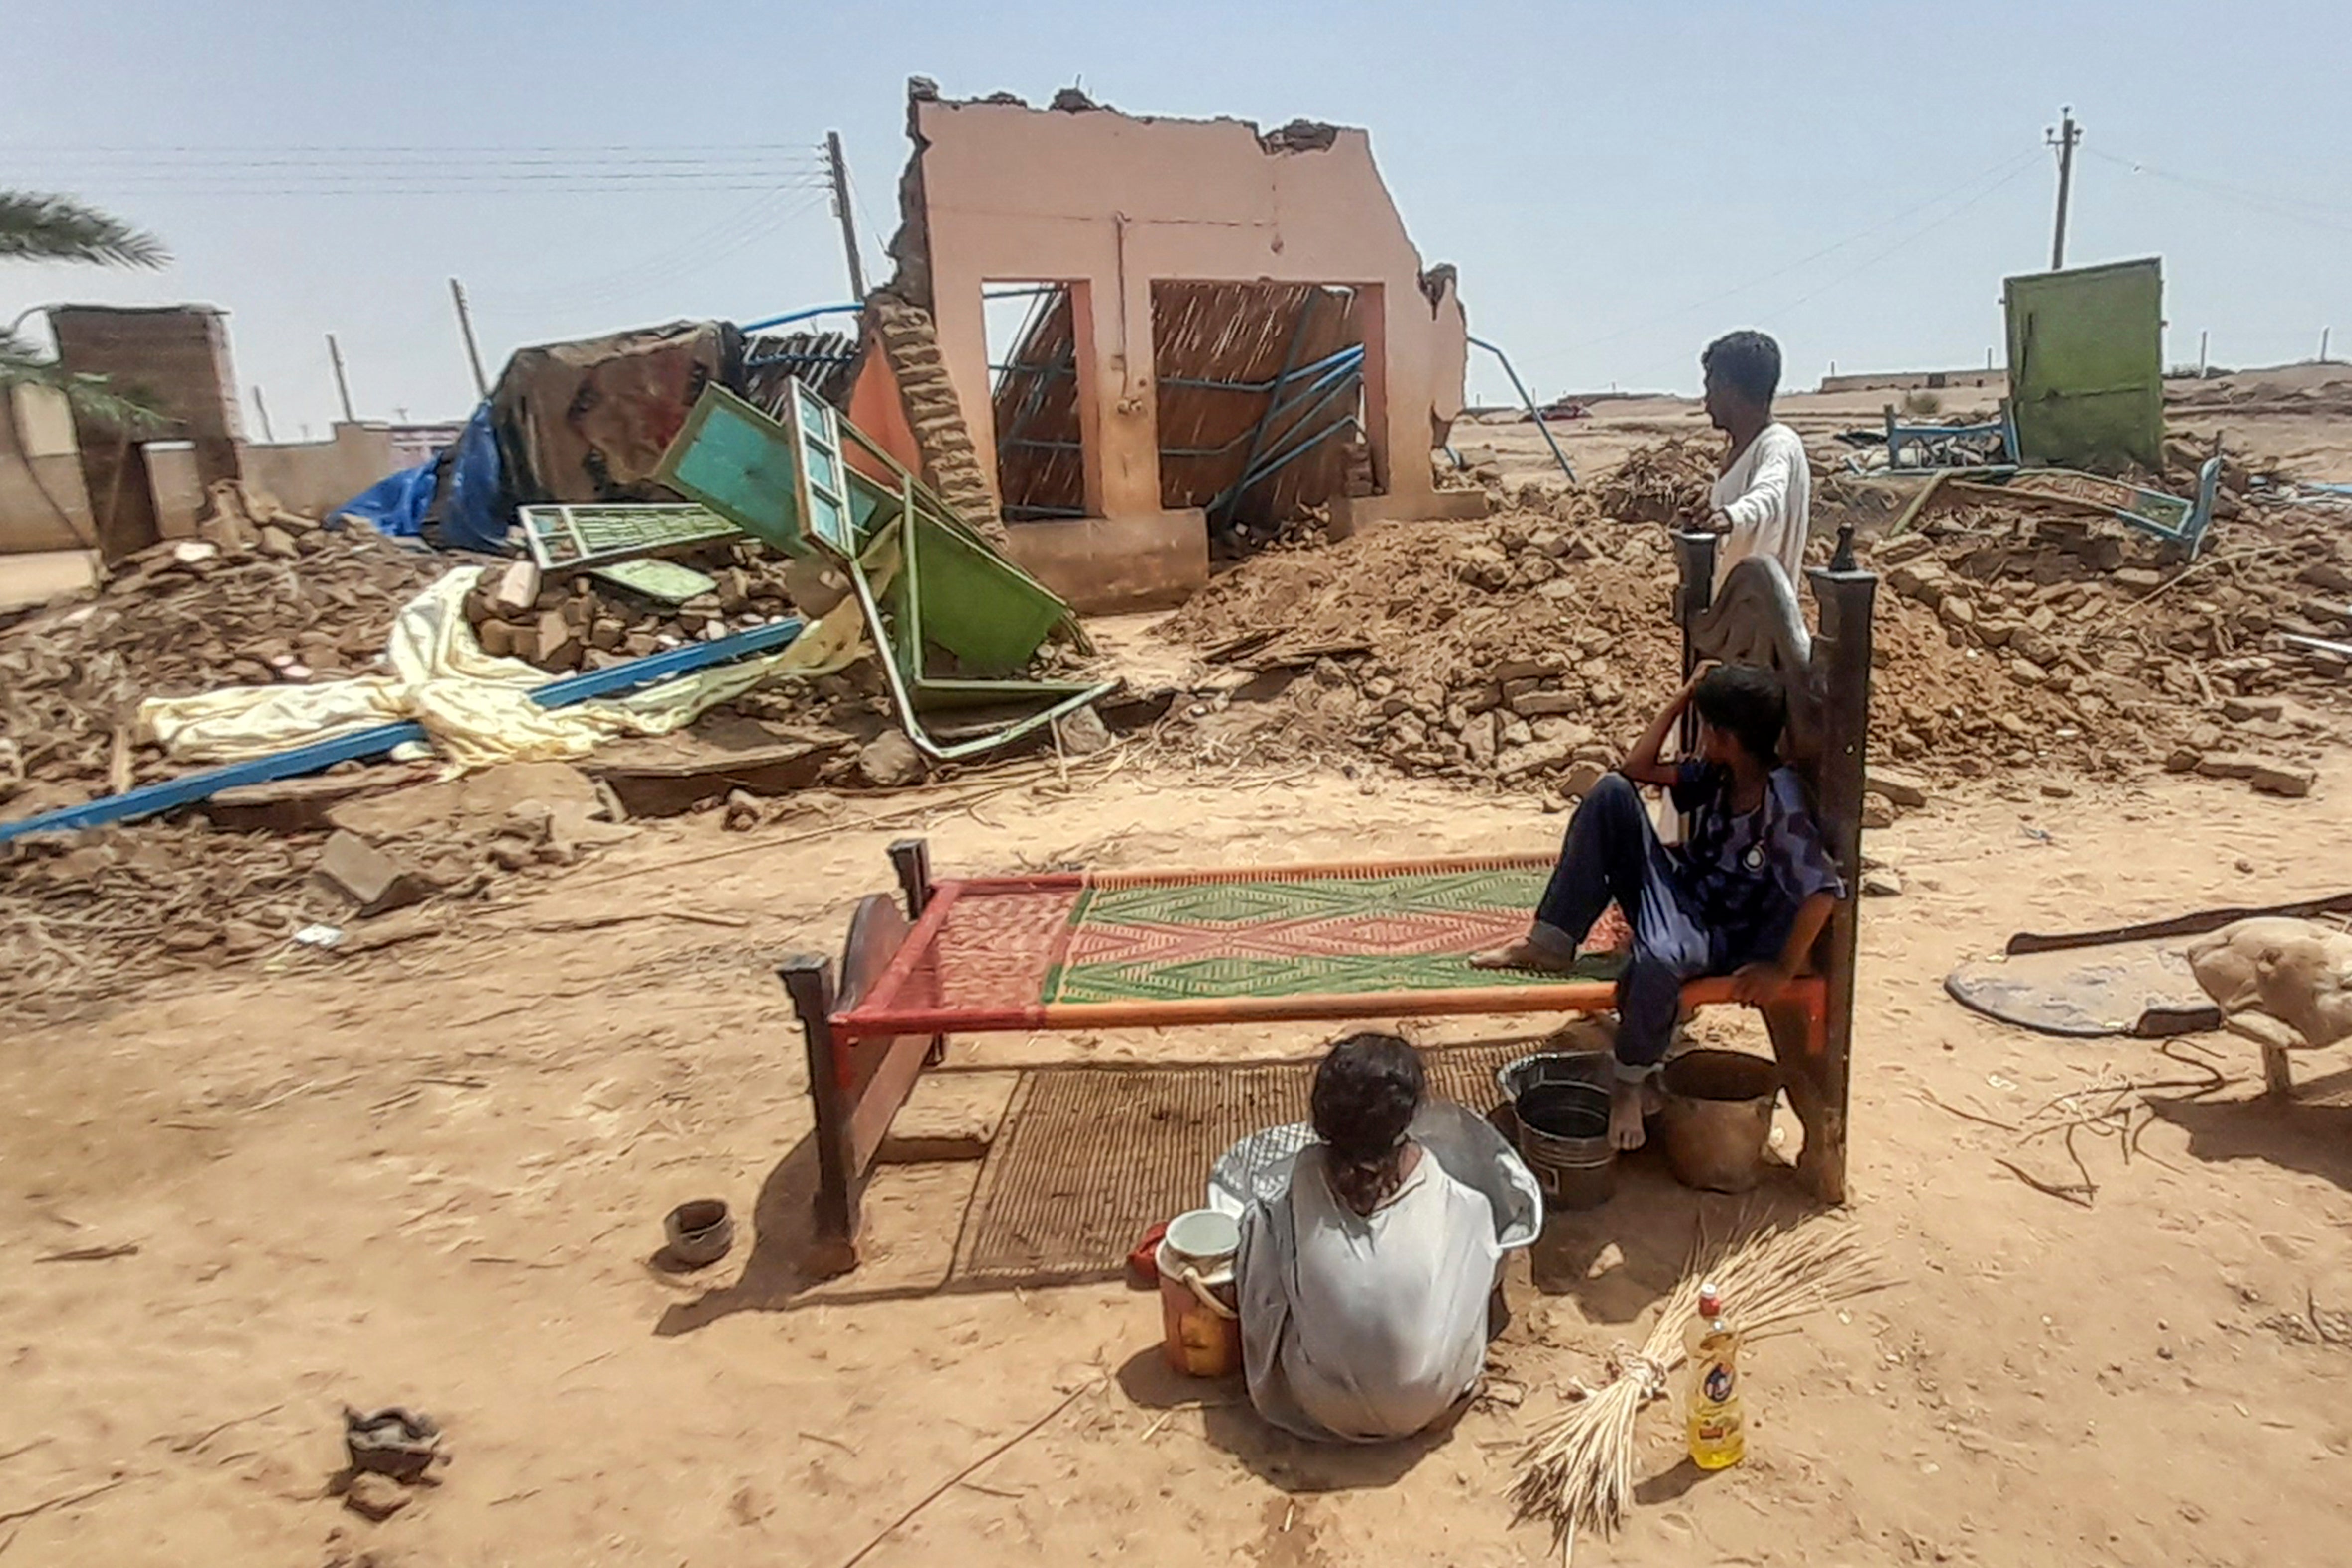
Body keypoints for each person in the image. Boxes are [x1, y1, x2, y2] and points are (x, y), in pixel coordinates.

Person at [1473, 665, 1844, 1148]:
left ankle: (1629, 1081)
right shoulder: (1718, 774)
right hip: (1680, 894)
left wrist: (1781, 969)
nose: (1699, 735)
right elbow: (1636, 769)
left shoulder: (1780, 800)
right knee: (1609, 792)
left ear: (1725, 737)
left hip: (1718, 934)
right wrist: (1680, 698)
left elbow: (1822, 891)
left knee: (1659, 959)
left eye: (1705, 725)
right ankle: (1550, 943)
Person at [1233, 1034, 1513, 1444]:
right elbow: (1481, 1254)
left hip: (1322, 1402)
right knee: (1477, 1222)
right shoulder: (1434, 1182)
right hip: (1427, 1398)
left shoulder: (1307, 1174)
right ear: (1409, 1115)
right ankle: (1443, 1384)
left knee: (1259, 1223)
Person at [1701, 330, 1811, 588]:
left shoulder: (1778, 444)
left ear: (1730, 391)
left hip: (1762, 617)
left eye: (1711, 390)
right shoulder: (1741, 448)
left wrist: (1731, 517)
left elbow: (1770, 494)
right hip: (1728, 614)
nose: (1706, 403)